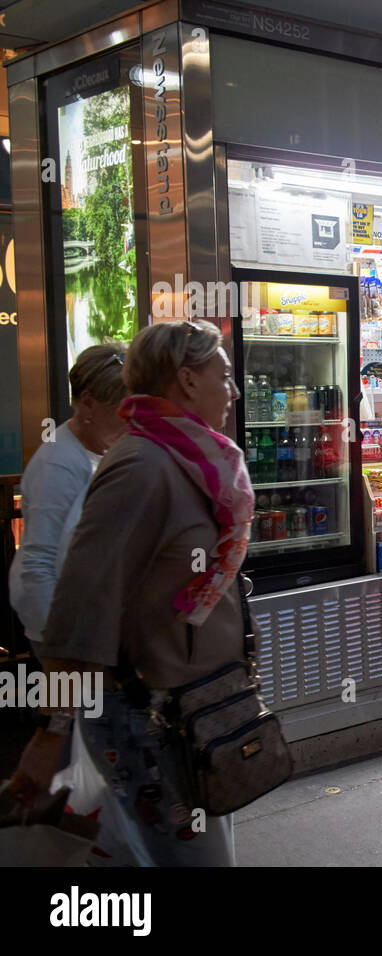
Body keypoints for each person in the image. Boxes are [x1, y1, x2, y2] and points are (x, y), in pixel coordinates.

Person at [9, 320, 251, 865]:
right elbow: (79, 603)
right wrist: (52, 735)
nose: (233, 391)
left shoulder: (193, 459)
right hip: (152, 719)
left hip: (197, 707)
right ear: (187, 380)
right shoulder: (142, 465)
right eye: (225, 376)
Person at [9, 344, 128, 652]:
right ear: (88, 404)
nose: (132, 422)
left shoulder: (105, 449)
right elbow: (38, 562)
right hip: (64, 633)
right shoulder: (58, 463)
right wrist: (64, 646)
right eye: (123, 410)